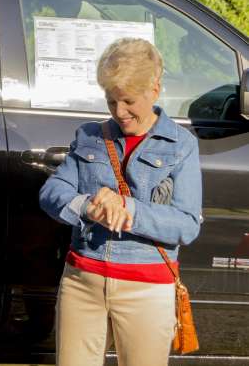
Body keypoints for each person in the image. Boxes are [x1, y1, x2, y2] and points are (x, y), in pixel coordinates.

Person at [39, 38, 202, 366]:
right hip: (82, 281)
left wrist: (129, 210)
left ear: (155, 90)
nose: (119, 112)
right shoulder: (90, 135)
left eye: (128, 100)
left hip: (147, 287)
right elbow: (51, 193)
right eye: (111, 100)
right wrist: (87, 207)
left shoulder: (181, 145)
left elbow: (186, 225)